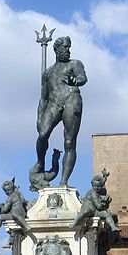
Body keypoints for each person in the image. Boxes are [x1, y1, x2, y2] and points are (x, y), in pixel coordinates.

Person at [35, 36, 87, 187]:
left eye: (69, 48)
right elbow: (43, 98)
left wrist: (75, 81)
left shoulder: (75, 64)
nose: (68, 51)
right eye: (65, 48)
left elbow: (83, 78)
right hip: (53, 102)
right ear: (57, 49)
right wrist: (39, 118)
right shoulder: (48, 72)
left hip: (71, 99)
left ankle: (63, 181)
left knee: (69, 142)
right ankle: (40, 162)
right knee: (42, 134)